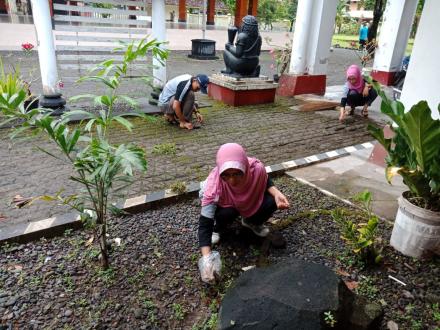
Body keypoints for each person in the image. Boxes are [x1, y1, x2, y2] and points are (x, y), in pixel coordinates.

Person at [197, 143, 290, 283]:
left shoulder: (256, 169)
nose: (232, 180)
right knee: (228, 212)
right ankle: (218, 228)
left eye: (237, 174)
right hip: (227, 205)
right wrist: (207, 260)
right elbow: (204, 223)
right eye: (226, 175)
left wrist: (277, 193)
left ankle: (251, 221)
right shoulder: (214, 186)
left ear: (245, 167)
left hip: (247, 202)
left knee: (271, 201)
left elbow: (265, 180)